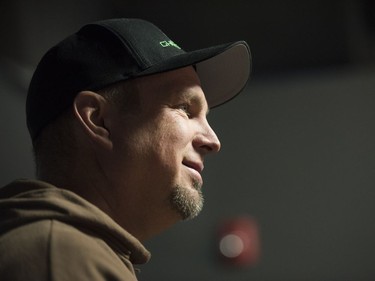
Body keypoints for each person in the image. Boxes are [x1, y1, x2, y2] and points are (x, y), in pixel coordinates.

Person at [0, 18, 251, 280]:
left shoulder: (83, 253)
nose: (213, 140)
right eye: (185, 108)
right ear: (99, 120)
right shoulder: (59, 256)